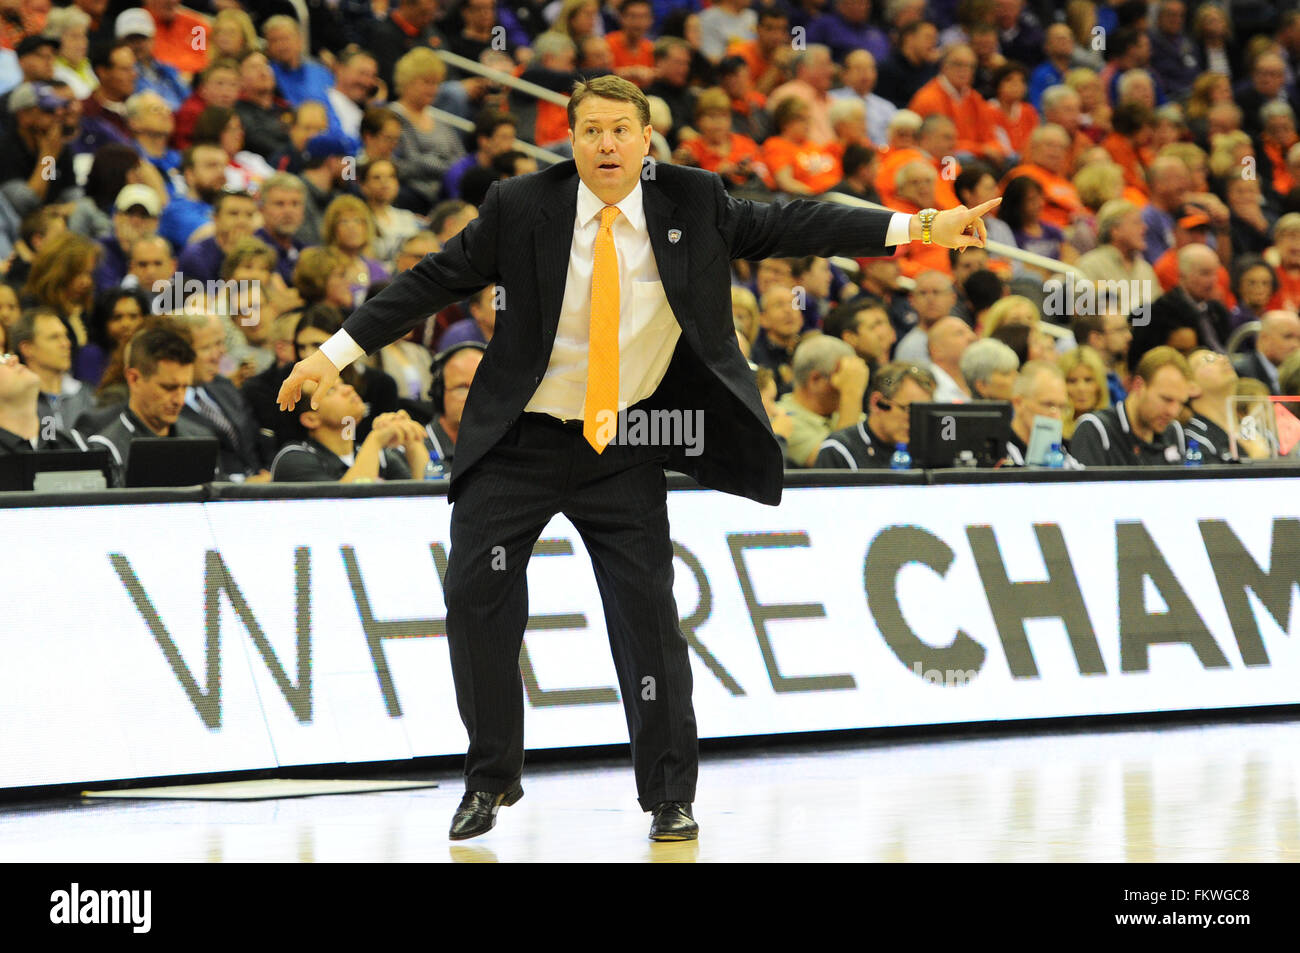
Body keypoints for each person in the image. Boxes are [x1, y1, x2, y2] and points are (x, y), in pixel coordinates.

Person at [274, 74, 1001, 843]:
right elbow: (430, 279)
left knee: (649, 619)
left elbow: (798, 221)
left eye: (622, 129)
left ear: (647, 139)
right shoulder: (521, 208)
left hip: (627, 442)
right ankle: (490, 778)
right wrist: (333, 354)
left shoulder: (694, 202)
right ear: (571, 139)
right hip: (519, 439)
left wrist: (922, 224)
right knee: (473, 595)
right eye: (590, 130)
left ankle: (668, 795)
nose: (607, 143)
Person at [86, 322, 215, 486]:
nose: (179, 400)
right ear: (134, 379)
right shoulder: (106, 450)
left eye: (185, 387)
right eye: (169, 387)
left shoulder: (201, 439)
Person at [1070, 345, 1191, 466]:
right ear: (1138, 386)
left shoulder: (1173, 431)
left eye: (1180, 403)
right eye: (1166, 399)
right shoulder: (1096, 429)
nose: (1173, 412)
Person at [814, 360, 936, 468]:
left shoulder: (929, 450)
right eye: (909, 410)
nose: (917, 421)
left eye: (923, 411)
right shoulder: (839, 451)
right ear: (877, 403)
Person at [1002, 360, 1080, 465]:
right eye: (1048, 405)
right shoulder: (997, 454)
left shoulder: (1065, 453)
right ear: (1018, 403)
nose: (1056, 415)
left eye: (1062, 407)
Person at [424, 341, 485, 468]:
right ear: (439, 393)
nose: (473, 397)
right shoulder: (412, 449)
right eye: (462, 388)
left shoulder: (506, 449)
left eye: (482, 387)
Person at [1233, 310, 1300, 395]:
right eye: (1288, 337)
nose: (1295, 345)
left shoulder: (1296, 375)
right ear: (1265, 339)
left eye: (1299, 339)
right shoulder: (1240, 373)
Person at [1058, 343, 1109, 441]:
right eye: (1072, 381)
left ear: (1099, 385)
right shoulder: (1052, 427)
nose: (1081, 388)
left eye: (1088, 380)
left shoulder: (1110, 427)